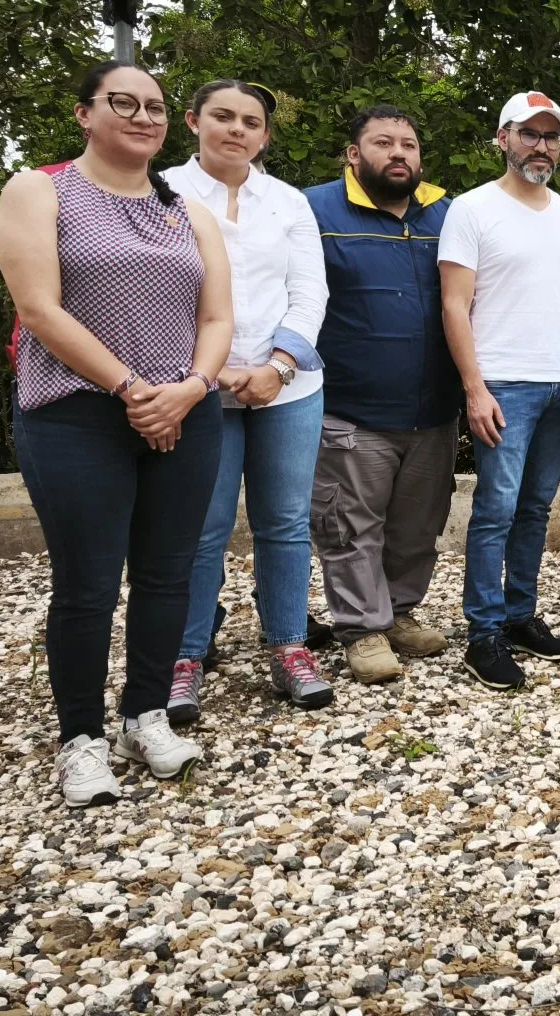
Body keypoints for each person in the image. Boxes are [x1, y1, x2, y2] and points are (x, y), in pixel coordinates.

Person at [0, 60, 231, 807]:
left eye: (155, 106)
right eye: (122, 102)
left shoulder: (186, 210)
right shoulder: (40, 191)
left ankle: (144, 715)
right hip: (77, 414)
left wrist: (189, 389)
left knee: (169, 572)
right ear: (83, 113)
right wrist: (130, 388)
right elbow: (40, 309)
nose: (143, 116)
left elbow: (218, 319)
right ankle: (80, 738)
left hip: (184, 411)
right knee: (89, 584)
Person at [167, 79, 333, 722]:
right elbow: (163, 292)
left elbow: (309, 292)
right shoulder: (165, 194)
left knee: (285, 523)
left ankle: (288, 644)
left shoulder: (287, 202)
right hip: (197, 385)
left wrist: (279, 365)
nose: (237, 130)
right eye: (223, 117)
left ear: (265, 135)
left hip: (286, 387)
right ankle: (184, 655)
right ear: (194, 122)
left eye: (251, 121)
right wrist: (210, 372)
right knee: (201, 528)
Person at [304, 106, 459, 684]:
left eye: (409, 145)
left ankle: (398, 612)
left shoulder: (448, 214)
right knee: (348, 525)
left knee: (419, 525)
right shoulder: (313, 210)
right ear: (353, 154)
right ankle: (361, 629)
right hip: (350, 407)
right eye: (383, 143)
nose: (399, 153)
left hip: (434, 410)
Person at [439, 92, 560, 690]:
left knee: (535, 508)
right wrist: (474, 389)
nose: (542, 146)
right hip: (502, 381)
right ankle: (484, 632)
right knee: (495, 509)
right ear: (503, 139)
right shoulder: (471, 210)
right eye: (529, 134)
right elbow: (454, 304)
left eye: (551, 136)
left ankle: (521, 614)